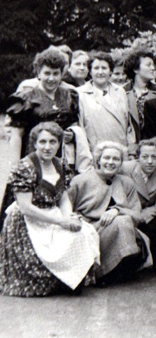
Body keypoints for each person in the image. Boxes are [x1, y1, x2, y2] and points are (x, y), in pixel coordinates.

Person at [0, 122, 99, 296]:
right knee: (49, 246)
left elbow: (63, 197)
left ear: (59, 143)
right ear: (34, 143)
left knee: (84, 232)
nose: (47, 147)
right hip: (28, 220)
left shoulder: (60, 164)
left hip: (53, 214)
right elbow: (25, 208)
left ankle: (71, 279)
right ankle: (52, 281)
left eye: (52, 142)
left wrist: (68, 217)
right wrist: (61, 221)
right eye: (42, 142)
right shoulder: (25, 167)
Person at [68, 141, 152, 285]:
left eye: (116, 159)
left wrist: (117, 210)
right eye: (106, 158)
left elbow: (138, 216)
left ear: (121, 163)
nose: (111, 162)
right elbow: (66, 209)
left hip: (120, 232)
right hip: (90, 231)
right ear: (98, 160)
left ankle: (111, 271)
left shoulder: (126, 182)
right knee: (122, 222)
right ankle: (99, 273)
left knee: (123, 221)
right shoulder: (80, 180)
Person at [6, 48, 92, 173]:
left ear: (61, 74)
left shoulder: (70, 96)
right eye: (47, 73)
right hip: (33, 159)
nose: (51, 78)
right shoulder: (25, 98)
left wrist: (72, 134)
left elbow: (74, 125)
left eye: (55, 73)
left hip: (63, 159)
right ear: (38, 73)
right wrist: (15, 168)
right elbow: (16, 136)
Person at [121, 139, 156, 270]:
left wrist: (144, 215)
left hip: (149, 214)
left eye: (154, 157)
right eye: (145, 157)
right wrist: (134, 214)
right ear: (138, 158)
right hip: (129, 211)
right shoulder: (126, 168)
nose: (150, 161)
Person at [77, 51, 130, 149]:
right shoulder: (80, 94)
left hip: (120, 149)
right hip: (96, 151)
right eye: (96, 68)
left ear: (110, 71)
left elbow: (128, 123)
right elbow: (80, 127)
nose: (100, 72)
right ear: (90, 71)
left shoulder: (120, 91)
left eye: (104, 68)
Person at [124, 50, 156, 143]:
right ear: (136, 69)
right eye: (148, 65)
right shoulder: (122, 92)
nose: (153, 68)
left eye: (153, 65)